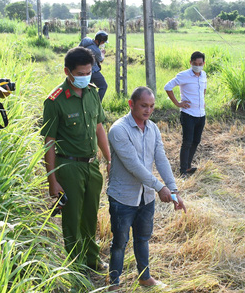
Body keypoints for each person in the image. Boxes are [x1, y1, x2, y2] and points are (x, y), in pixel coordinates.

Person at [107, 86, 187, 291]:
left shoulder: (152, 128)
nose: (148, 110)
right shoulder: (119, 130)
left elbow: (161, 159)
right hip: (123, 197)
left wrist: (173, 189)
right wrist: (161, 187)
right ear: (131, 104)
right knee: (119, 243)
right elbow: (134, 166)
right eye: (144, 105)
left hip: (146, 197)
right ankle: (114, 283)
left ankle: (145, 277)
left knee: (142, 239)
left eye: (151, 106)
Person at [41, 46, 111, 271]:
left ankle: (92, 258)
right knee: (72, 218)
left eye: (88, 72)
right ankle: (76, 265)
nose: (85, 77)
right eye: (80, 74)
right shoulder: (55, 100)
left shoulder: (92, 92)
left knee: (90, 215)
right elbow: (49, 142)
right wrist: (52, 180)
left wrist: (109, 158)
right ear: (67, 72)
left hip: (91, 166)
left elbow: (99, 127)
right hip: (68, 165)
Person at [164, 51, 207, 175]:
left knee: (196, 141)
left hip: (201, 114)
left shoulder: (203, 75)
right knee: (187, 142)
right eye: (195, 63)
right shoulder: (184, 75)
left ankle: (188, 166)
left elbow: (203, 89)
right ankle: (183, 170)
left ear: (204, 63)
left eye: (200, 63)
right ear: (190, 63)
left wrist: (202, 101)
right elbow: (168, 87)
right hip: (188, 114)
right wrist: (178, 103)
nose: (198, 66)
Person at [79, 30, 108, 102]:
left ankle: (86, 103)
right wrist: (103, 53)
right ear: (100, 41)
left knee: (88, 89)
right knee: (103, 86)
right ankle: (96, 103)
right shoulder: (97, 50)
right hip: (93, 70)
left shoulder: (86, 40)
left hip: (81, 69)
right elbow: (101, 60)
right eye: (103, 42)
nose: (103, 44)